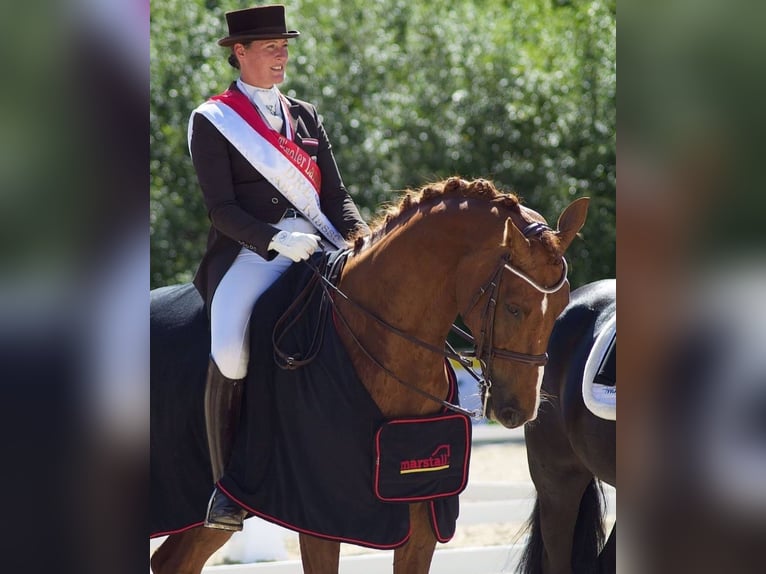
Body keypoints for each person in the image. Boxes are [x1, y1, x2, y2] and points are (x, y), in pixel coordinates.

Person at [187, 4, 369, 531]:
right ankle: (228, 488)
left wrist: (361, 241)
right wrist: (272, 239)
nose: (281, 55)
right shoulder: (214, 119)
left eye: (284, 46)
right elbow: (220, 209)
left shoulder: (306, 115)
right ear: (239, 53)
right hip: (252, 249)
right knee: (227, 343)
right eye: (270, 47)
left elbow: (335, 195)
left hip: (321, 239)